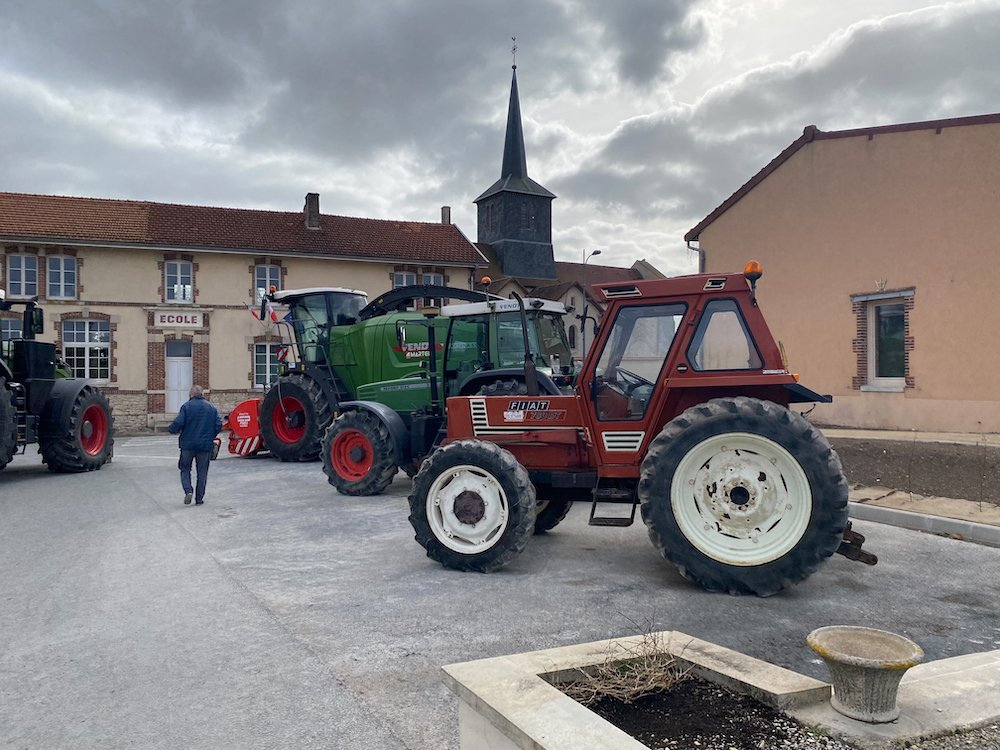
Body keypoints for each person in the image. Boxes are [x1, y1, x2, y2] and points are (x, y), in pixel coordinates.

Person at [168, 385, 223, 506]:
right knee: (202, 472)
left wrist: (171, 429)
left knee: (185, 468)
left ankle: (188, 490)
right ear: (202, 394)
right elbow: (219, 425)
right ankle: (199, 498)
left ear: (191, 395)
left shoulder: (186, 407)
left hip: (187, 445)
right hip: (205, 445)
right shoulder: (211, 408)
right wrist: (210, 435)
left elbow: (179, 422)